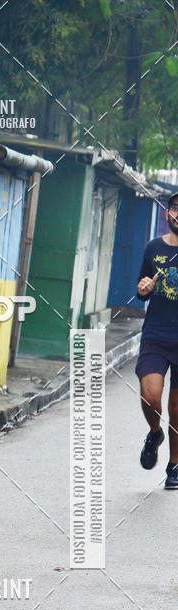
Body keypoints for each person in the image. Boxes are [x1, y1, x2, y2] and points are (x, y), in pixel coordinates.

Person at [136, 191, 178, 488]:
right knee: (150, 395)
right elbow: (140, 290)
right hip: (156, 335)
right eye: (177, 208)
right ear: (168, 213)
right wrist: (144, 289)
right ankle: (154, 433)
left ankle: (174, 466)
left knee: (177, 409)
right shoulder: (153, 248)